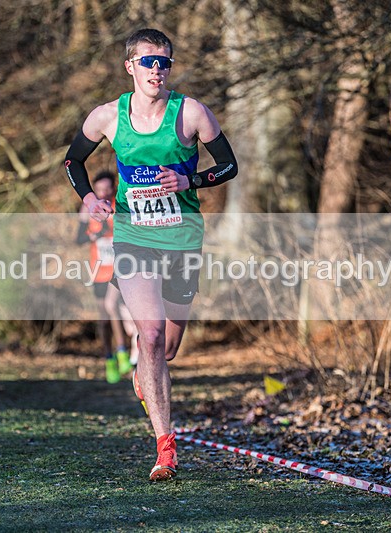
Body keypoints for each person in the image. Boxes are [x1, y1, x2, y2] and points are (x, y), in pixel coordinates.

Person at [64, 28, 238, 481]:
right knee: (153, 335)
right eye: (148, 62)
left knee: (169, 347)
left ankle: (146, 375)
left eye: (163, 62)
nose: (156, 70)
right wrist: (88, 198)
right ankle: (166, 447)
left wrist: (191, 181)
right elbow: (72, 161)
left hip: (182, 239)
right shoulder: (107, 117)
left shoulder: (192, 114)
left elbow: (229, 165)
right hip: (134, 239)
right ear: (130, 67)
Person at [75, 170, 137, 383]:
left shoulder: (119, 205)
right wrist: (95, 235)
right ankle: (109, 358)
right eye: (98, 189)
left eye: (106, 189)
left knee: (112, 306)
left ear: (113, 188)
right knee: (104, 320)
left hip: (118, 268)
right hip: (98, 269)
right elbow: (79, 239)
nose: (102, 192)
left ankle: (122, 353)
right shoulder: (87, 209)